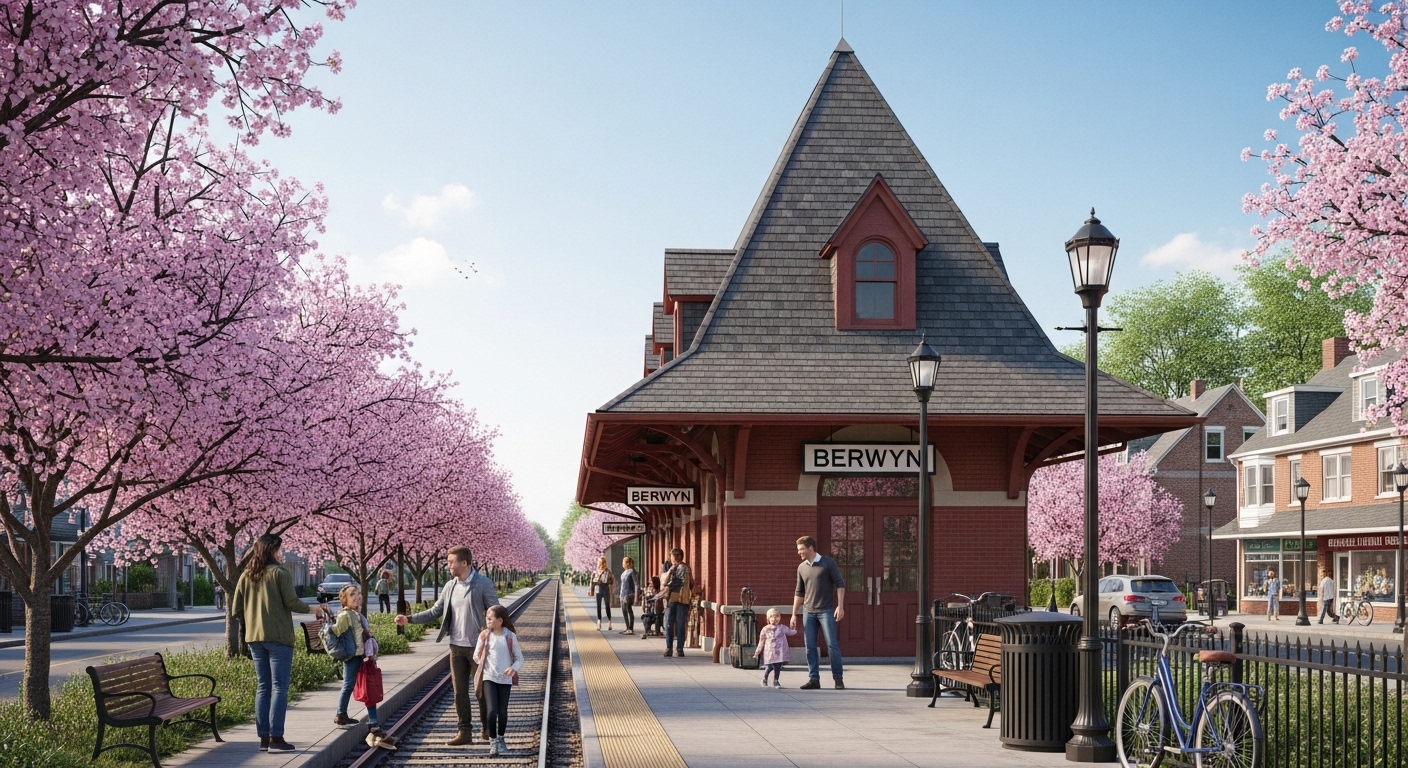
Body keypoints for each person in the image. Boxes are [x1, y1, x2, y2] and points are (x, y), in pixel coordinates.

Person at [232, 533, 332, 752]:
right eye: (279, 549)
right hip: (279, 637)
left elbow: (236, 610)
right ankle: (276, 738)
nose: (282, 553)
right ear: (271, 551)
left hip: (255, 639)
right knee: (279, 687)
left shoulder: (246, 575)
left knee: (263, 686)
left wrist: (254, 620)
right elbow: (292, 602)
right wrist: (314, 609)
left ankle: (263, 738)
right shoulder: (280, 573)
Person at [396, 546, 501, 745]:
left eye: (451, 562)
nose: (448, 565)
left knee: (481, 691)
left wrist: (493, 635)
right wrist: (409, 619)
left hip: (479, 647)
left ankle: (487, 728)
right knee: (459, 692)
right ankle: (464, 732)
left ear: (464, 563)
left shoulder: (482, 584)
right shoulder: (450, 586)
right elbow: (435, 611)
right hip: (456, 647)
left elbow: (496, 612)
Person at [331, 585, 397, 750]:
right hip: (353, 656)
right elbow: (336, 632)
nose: (357, 596)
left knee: (369, 688)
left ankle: (373, 723)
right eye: (352, 594)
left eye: (358, 593)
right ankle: (341, 714)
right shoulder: (345, 615)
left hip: (363, 656)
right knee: (349, 684)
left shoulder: (357, 613)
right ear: (344, 599)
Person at [789, 535, 846, 690]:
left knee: (832, 645)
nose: (799, 552)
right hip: (808, 612)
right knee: (810, 646)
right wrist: (794, 614)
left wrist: (840, 607)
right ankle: (814, 679)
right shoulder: (801, 568)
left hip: (826, 610)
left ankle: (838, 679)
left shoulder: (828, 563)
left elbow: (840, 584)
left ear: (810, 548)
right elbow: (799, 592)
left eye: (801, 549)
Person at [475, 604, 524, 757]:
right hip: (489, 677)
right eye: (487, 618)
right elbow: (476, 655)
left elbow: (519, 658)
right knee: (492, 711)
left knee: (502, 712)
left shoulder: (510, 636)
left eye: (490, 619)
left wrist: (513, 668)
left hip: (505, 679)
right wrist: (482, 661)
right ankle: (493, 743)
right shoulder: (485, 635)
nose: (487, 621)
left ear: (500, 620)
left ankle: (501, 739)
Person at [755, 608, 796, 688]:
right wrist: (757, 651)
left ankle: (776, 681)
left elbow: (791, 632)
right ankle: (765, 678)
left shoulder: (782, 628)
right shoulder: (765, 629)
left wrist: (793, 627)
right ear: (768, 619)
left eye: (777, 616)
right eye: (772, 617)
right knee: (770, 667)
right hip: (770, 652)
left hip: (780, 652)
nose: (774, 618)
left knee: (777, 666)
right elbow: (761, 641)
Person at [662, 548, 692, 657]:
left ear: (677, 556)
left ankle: (670, 648)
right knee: (680, 624)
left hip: (674, 599)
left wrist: (670, 572)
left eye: (671, 556)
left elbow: (665, 583)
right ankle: (679, 649)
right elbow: (692, 584)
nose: (670, 558)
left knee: (670, 624)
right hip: (683, 600)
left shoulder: (679, 569)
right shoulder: (687, 568)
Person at [590, 556, 615, 631]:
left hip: (606, 589)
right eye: (600, 563)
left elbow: (612, 581)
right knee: (598, 606)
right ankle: (599, 621)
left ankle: (609, 621)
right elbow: (592, 582)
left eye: (603, 563)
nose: (601, 565)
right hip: (598, 589)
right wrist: (591, 591)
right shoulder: (595, 572)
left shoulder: (608, 571)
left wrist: (611, 587)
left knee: (607, 606)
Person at [618, 556, 639, 635]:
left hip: (629, 594)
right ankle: (627, 627)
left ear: (628, 563)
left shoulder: (632, 572)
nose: (623, 564)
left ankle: (631, 627)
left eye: (624, 562)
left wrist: (636, 597)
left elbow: (636, 584)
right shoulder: (624, 573)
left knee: (628, 609)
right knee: (624, 611)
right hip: (622, 594)